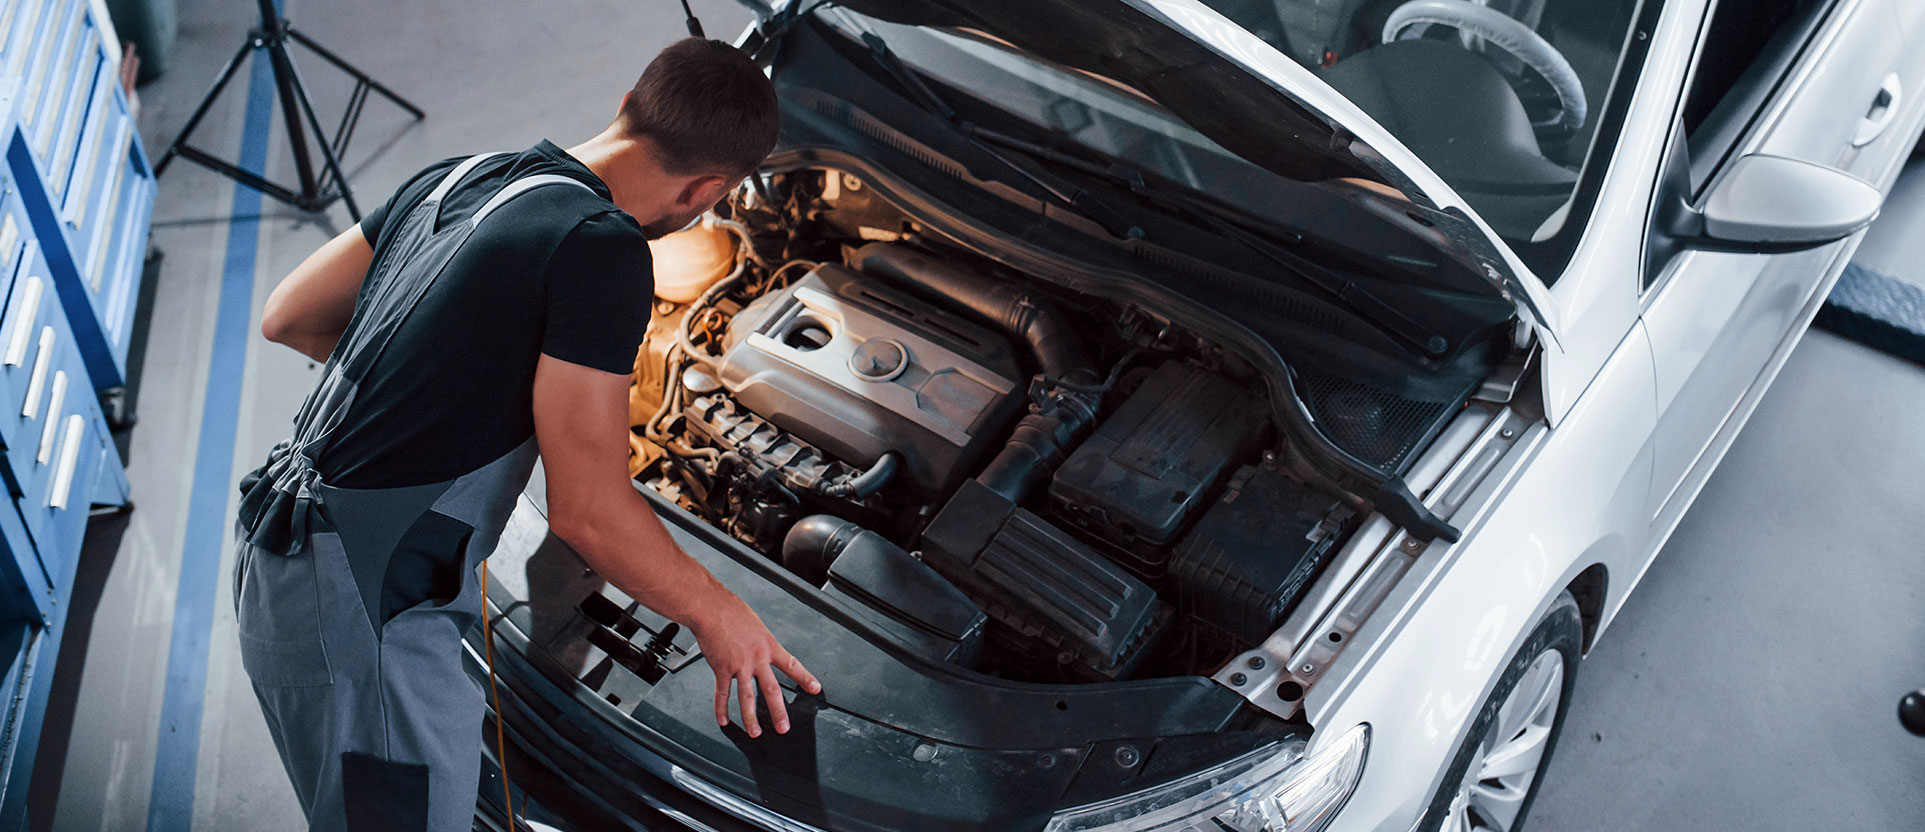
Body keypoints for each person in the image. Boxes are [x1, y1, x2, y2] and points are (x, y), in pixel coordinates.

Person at [234, 38, 820, 831]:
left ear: (625, 104)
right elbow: (588, 514)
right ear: (707, 190)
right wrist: (721, 614)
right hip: (367, 612)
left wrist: (446, 380)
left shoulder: (460, 172)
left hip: (288, 549)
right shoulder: (601, 249)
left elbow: (290, 316)